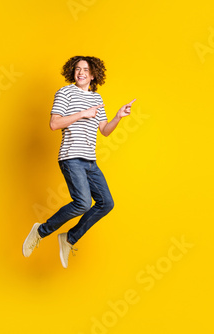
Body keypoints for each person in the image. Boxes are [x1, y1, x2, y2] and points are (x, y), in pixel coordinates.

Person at [22, 55, 136, 268]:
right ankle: (40, 231)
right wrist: (83, 114)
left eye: (85, 69)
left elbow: (104, 131)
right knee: (83, 203)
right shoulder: (65, 93)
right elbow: (54, 124)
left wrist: (118, 116)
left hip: (89, 161)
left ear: (93, 74)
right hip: (71, 157)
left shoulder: (97, 99)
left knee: (106, 203)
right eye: (77, 69)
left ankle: (69, 238)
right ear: (72, 72)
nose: (81, 72)